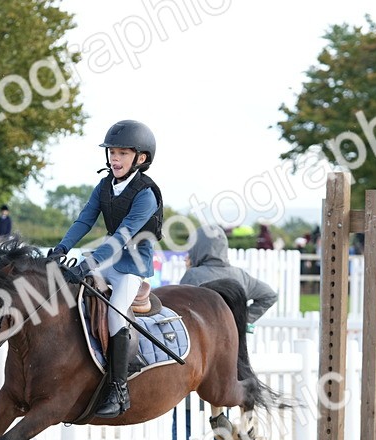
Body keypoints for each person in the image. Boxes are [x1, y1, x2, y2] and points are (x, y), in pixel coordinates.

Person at [48, 119, 163, 418]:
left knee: (115, 315)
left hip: (131, 267)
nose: (115, 158)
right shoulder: (104, 185)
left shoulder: (145, 194)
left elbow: (123, 235)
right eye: (112, 152)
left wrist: (89, 262)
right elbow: (85, 220)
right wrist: (61, 248)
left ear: (141, 158)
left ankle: (118, 388)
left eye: (123, 153)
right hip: (107, 259)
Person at [180, 226, 278, 330]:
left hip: (204, 339)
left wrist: (190, 269)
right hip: (233, 342)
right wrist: (241, 320)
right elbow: (270, 295)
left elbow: (180, 311)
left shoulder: (193, 275)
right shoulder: (241, 275)